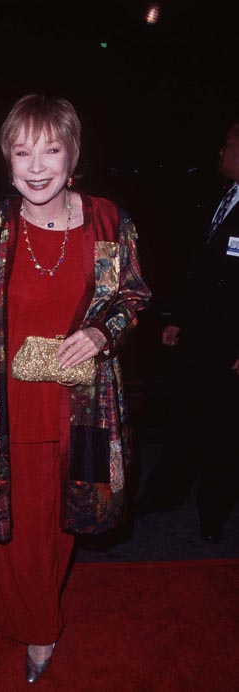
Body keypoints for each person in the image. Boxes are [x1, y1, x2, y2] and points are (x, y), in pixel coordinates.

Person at [0, 94, 151, 683]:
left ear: (73, 157)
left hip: (84, 406)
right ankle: (38, 627)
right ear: (7, 159)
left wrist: (102, 331)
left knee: (63, 520)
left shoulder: (107, 219)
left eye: (50, 149)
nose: (36, 165)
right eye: (22, 151)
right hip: (8, 407)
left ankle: (32, 611)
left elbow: (134, 295)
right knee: (14, 525)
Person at [136, 122, 239, 542]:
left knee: (224, 432)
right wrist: (177, 318)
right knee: (183, 419)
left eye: (229, 145)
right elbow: (199, 270)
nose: (221, 151)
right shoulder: (220, 198)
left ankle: (212, 514)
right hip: (199, 337)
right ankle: (164, 493)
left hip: (232, 348)